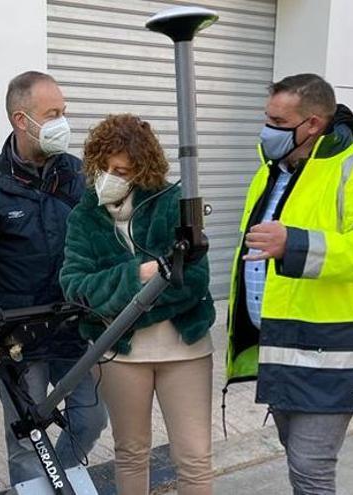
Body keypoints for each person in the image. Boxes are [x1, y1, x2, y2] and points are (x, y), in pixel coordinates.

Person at [225, 73, 353, 495]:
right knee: (295, 454)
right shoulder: (271, 172)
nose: (267, 130)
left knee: (311, 467)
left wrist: (295, 244)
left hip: (335, 348)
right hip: (282, 340)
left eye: (278, 122)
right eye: (267, 118)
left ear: (314, 124)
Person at [61, 114, 216, 495]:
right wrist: (139, 277)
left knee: (194, 457)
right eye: (106, 168)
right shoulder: (83, 217)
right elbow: (75, 287)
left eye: (124, 171)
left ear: (143, 172)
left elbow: (193, 280)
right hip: (118, 352)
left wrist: (126, 305)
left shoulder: (172, 204)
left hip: (185, 349)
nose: (112, 177)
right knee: (130, 453)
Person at [0, 70, 108, 486]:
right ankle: (37, 487)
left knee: (90, 419)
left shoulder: (79, 174)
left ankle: (62, 480)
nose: (62, 123)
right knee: (25, 441)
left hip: (73, 330)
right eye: (52, 113)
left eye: (63, 112)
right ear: (21, 120)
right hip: (20, 338)